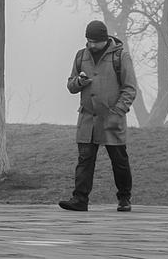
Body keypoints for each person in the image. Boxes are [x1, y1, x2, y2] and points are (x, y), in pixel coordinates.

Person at [58, 20, 138, 212]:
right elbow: (70, 85)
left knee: (119, 161)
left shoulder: (121, 56)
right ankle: (79, 199)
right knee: (84, 161)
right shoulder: (80, 56)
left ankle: (124, 198)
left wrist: (118, 111)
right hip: (87, 119)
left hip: (112, 118)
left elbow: (130, 88)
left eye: (95, 41)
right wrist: (79, 81)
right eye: (89, 41)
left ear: (105, 40)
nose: (91, 45)